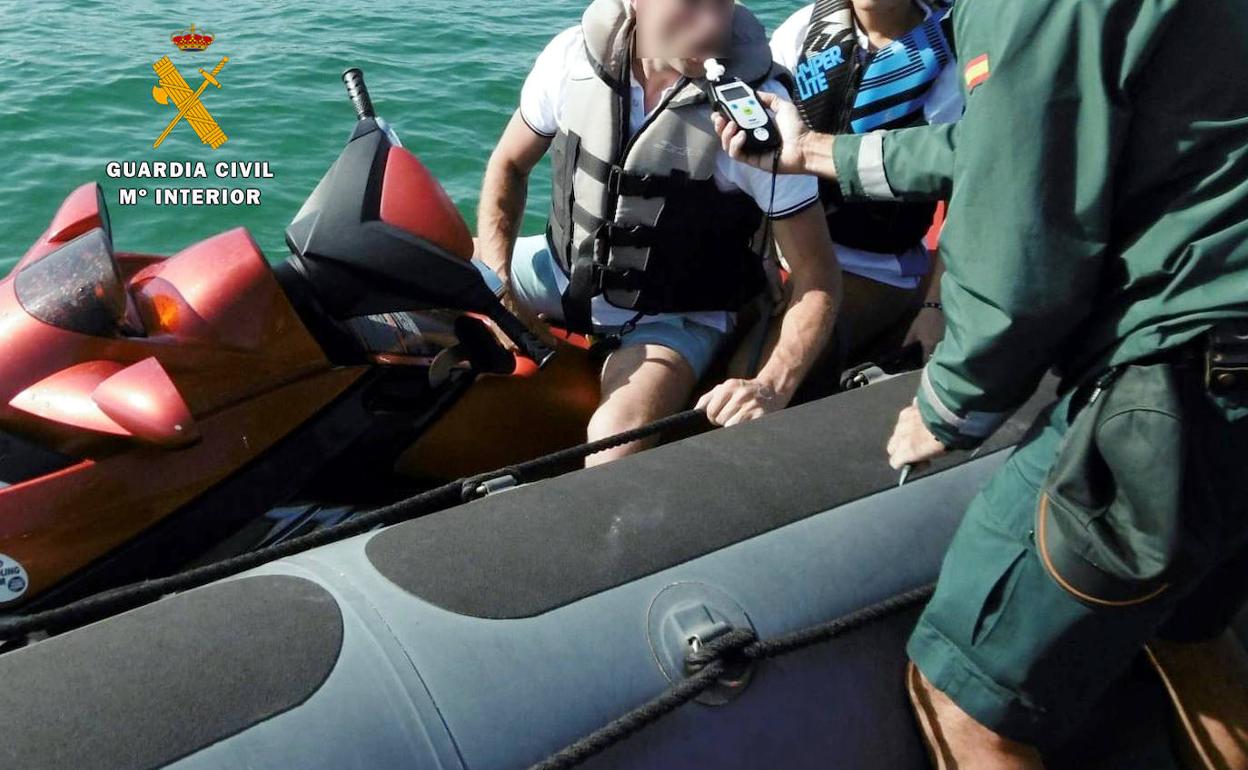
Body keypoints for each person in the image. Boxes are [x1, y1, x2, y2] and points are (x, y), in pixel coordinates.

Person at [715, 0, 1248, 766]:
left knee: (963, 692)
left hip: (1181, 369)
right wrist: (814, 152)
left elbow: (1024, 250)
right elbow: (1002, 143)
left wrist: (948, 402)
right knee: (1188, 630)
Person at [476, 0, 840, 466]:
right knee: (427, 269)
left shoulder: (759, 114)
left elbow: (819, 274)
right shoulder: (571, 58)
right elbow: (508, 165)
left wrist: (771, 386)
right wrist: (498, 282)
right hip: (560, 270)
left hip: (673, 316)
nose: (711, 26)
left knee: (612, 447)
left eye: (722, 6)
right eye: (690, 6)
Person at [769, 0, 961, 366]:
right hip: (790, 249)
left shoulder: (955, 53)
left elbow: (967, 195)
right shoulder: (801, 30)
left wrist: (935, 306)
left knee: (769, 361)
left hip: (879, 266)